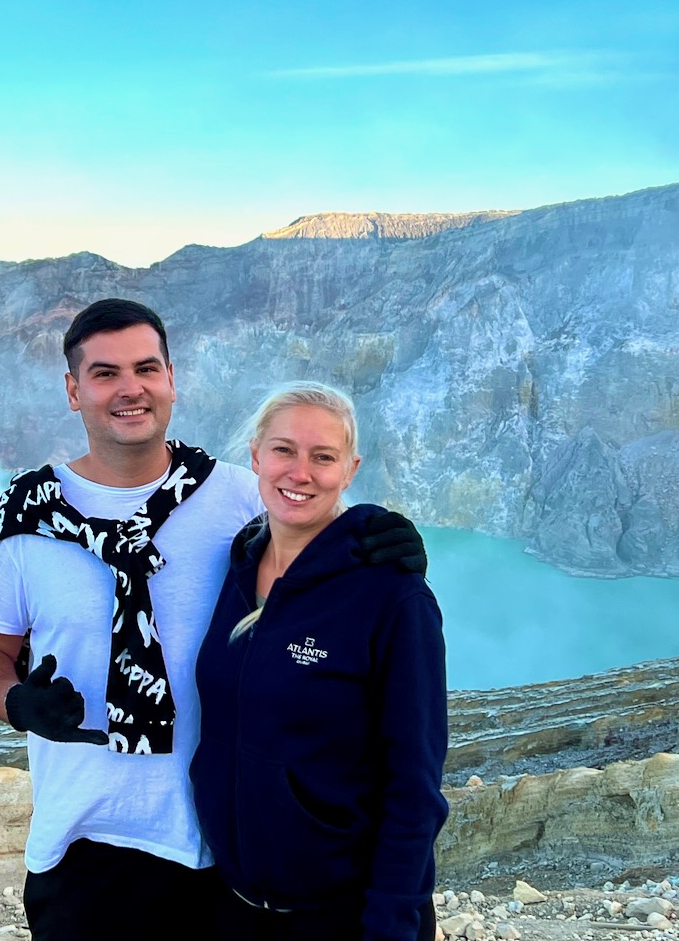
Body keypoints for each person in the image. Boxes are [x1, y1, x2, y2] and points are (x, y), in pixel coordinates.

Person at [0, 300, 427, 941]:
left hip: (223, 856)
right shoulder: (24, 519)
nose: (130, 389)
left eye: (146, 368)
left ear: (171, 380)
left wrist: (378, 534)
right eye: (104, 373)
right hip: (85, 848)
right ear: (73, 390)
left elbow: (312, 529)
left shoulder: (237, 496)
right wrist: (15, 701)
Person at [190, 382, 448, 941]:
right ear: (256, 455)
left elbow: (414, 786)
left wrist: (391, 923)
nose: (299, 472)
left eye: (323, 457)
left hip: (343, 915)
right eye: (284, 450)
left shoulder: (392, 597)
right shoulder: (237, 566)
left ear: (349, 469)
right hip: (232, 904)